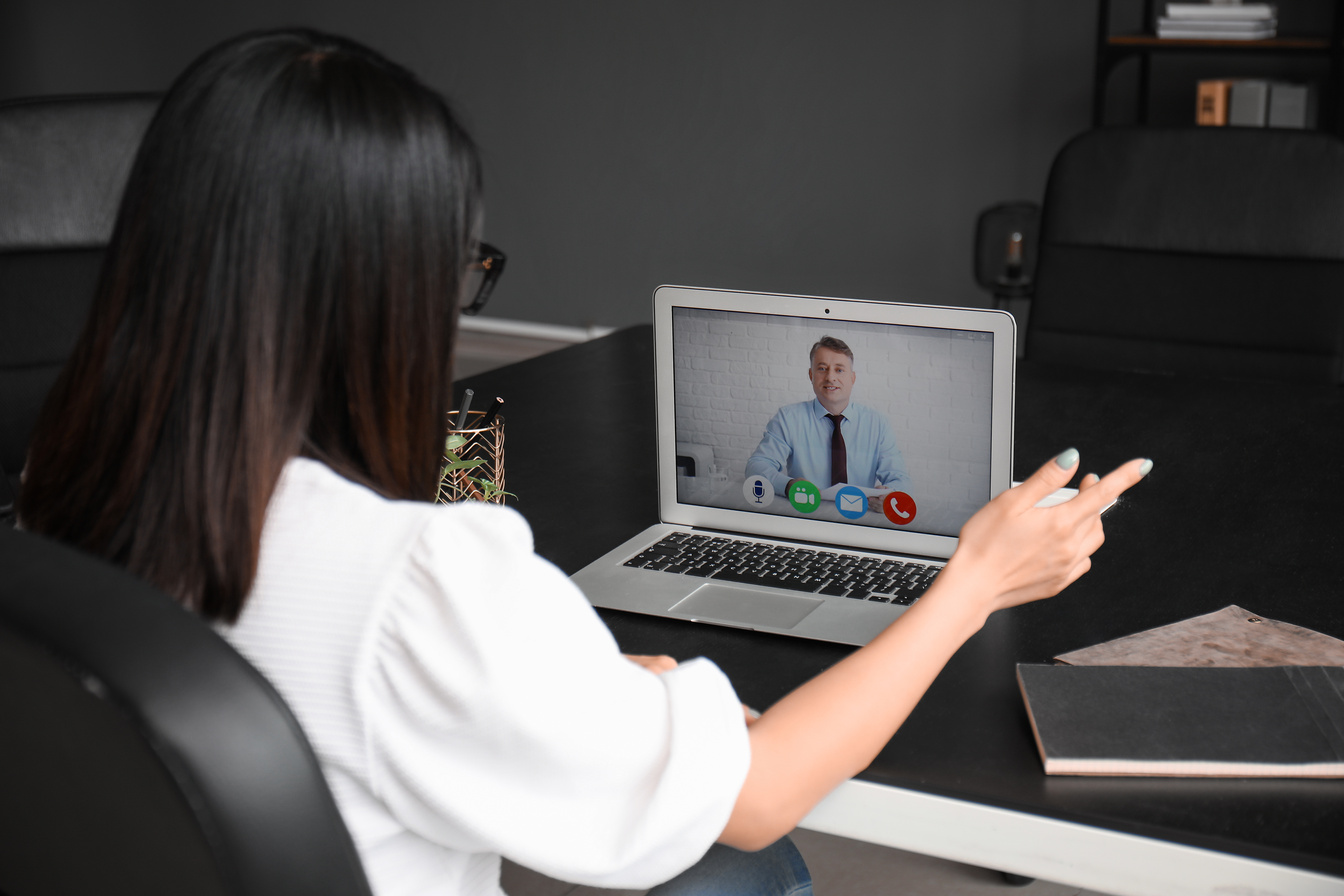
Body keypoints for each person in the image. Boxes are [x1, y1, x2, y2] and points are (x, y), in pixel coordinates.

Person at [17, 27, 1152, 896]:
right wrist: (973, 583)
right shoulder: (416, 576)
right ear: (375, 289)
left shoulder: (57, 493)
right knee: (747, 867)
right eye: (451, 267)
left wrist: (581, 685)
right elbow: (754, 797)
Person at [746, 336, 908, 511]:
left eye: (839, 370)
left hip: (860, 519)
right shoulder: (788, 418)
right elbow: (756, 467)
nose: (830, 377)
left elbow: (900, 478)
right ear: (811, 375)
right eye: (822, 369)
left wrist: (891, 496)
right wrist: (788, 485)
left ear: (852, 378)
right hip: (805, 515)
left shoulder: (878, 424)